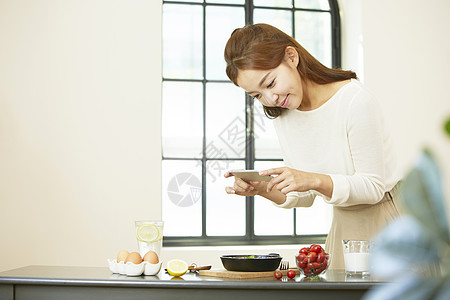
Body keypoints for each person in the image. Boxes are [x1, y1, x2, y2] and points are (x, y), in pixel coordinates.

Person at [223, 23, 402, 270]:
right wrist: (263, 189)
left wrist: (311, 179)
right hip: (343, 226)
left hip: (389, 219)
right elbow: (304, 195)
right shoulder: (285, 113)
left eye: (271, 83)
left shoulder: (354, 101)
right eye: (256, 95)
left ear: (291, 57)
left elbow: (372, 187)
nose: (269, 99)